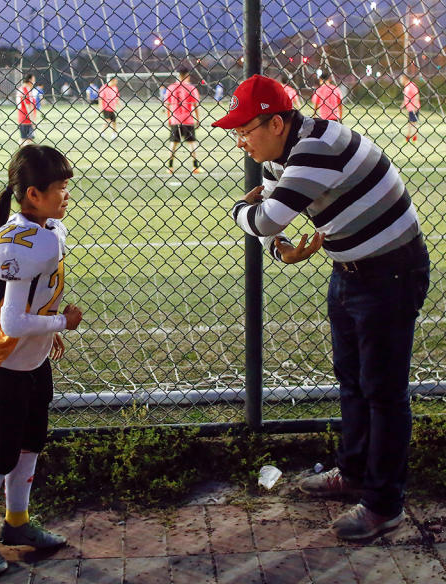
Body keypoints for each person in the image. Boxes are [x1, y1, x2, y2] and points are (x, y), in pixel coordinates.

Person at [213, 75, 430, 541]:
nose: (239, 141)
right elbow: (275, 227)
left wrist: (239, 210)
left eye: (245, 130)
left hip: (390, 274)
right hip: (351, 271)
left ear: (275, 122)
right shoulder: (284, 155)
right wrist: (281, 249)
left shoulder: (315, 149)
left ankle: (383, 505)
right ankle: (353, 473)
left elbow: (263, 217)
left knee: (384, 393)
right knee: (352, 382)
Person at [0, 144, 84, 576]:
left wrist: (47, 329)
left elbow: (29, 306)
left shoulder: (42, 230)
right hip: (3, 366)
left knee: (31, 444)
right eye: (60, 188)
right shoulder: (30, 243)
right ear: (33, 194)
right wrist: (60, 325)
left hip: (30, 363)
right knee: (1, 456)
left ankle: (16, 522)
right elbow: (11, 322)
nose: (67, 195)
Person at [163, 67, 201, 173]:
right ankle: (195, 166)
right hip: (188, 120)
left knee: (173, 143)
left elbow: (167, 105)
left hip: (175, 120)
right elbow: (195, 105)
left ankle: (170, 167)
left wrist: (169, 118)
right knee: (192, 143)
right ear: (187, 76)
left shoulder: (171, 88)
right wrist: (198, 119)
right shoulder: (191, 88)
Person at [16, 73, 38, 147]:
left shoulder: (20, 89)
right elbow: (28, 105)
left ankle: (20, 155)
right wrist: (32, 120)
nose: (34, 83)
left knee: (23, 139)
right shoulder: (26, 89)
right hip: (27, 118)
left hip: (21, 117)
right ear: (29, 80)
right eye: (33, 80)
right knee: (28, 141)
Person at [400, 74, 420, 142]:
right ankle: (410, 138)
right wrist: (402, 105)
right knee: (411, 123)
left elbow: (416, 95)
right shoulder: (406, 87)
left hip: (413, 107)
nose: (400, 81)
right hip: (409, 108)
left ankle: (412, 138)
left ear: (405, 78)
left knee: (413, 123)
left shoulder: (411, 85)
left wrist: (415, 106)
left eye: (401, 79)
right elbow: (406, 97)